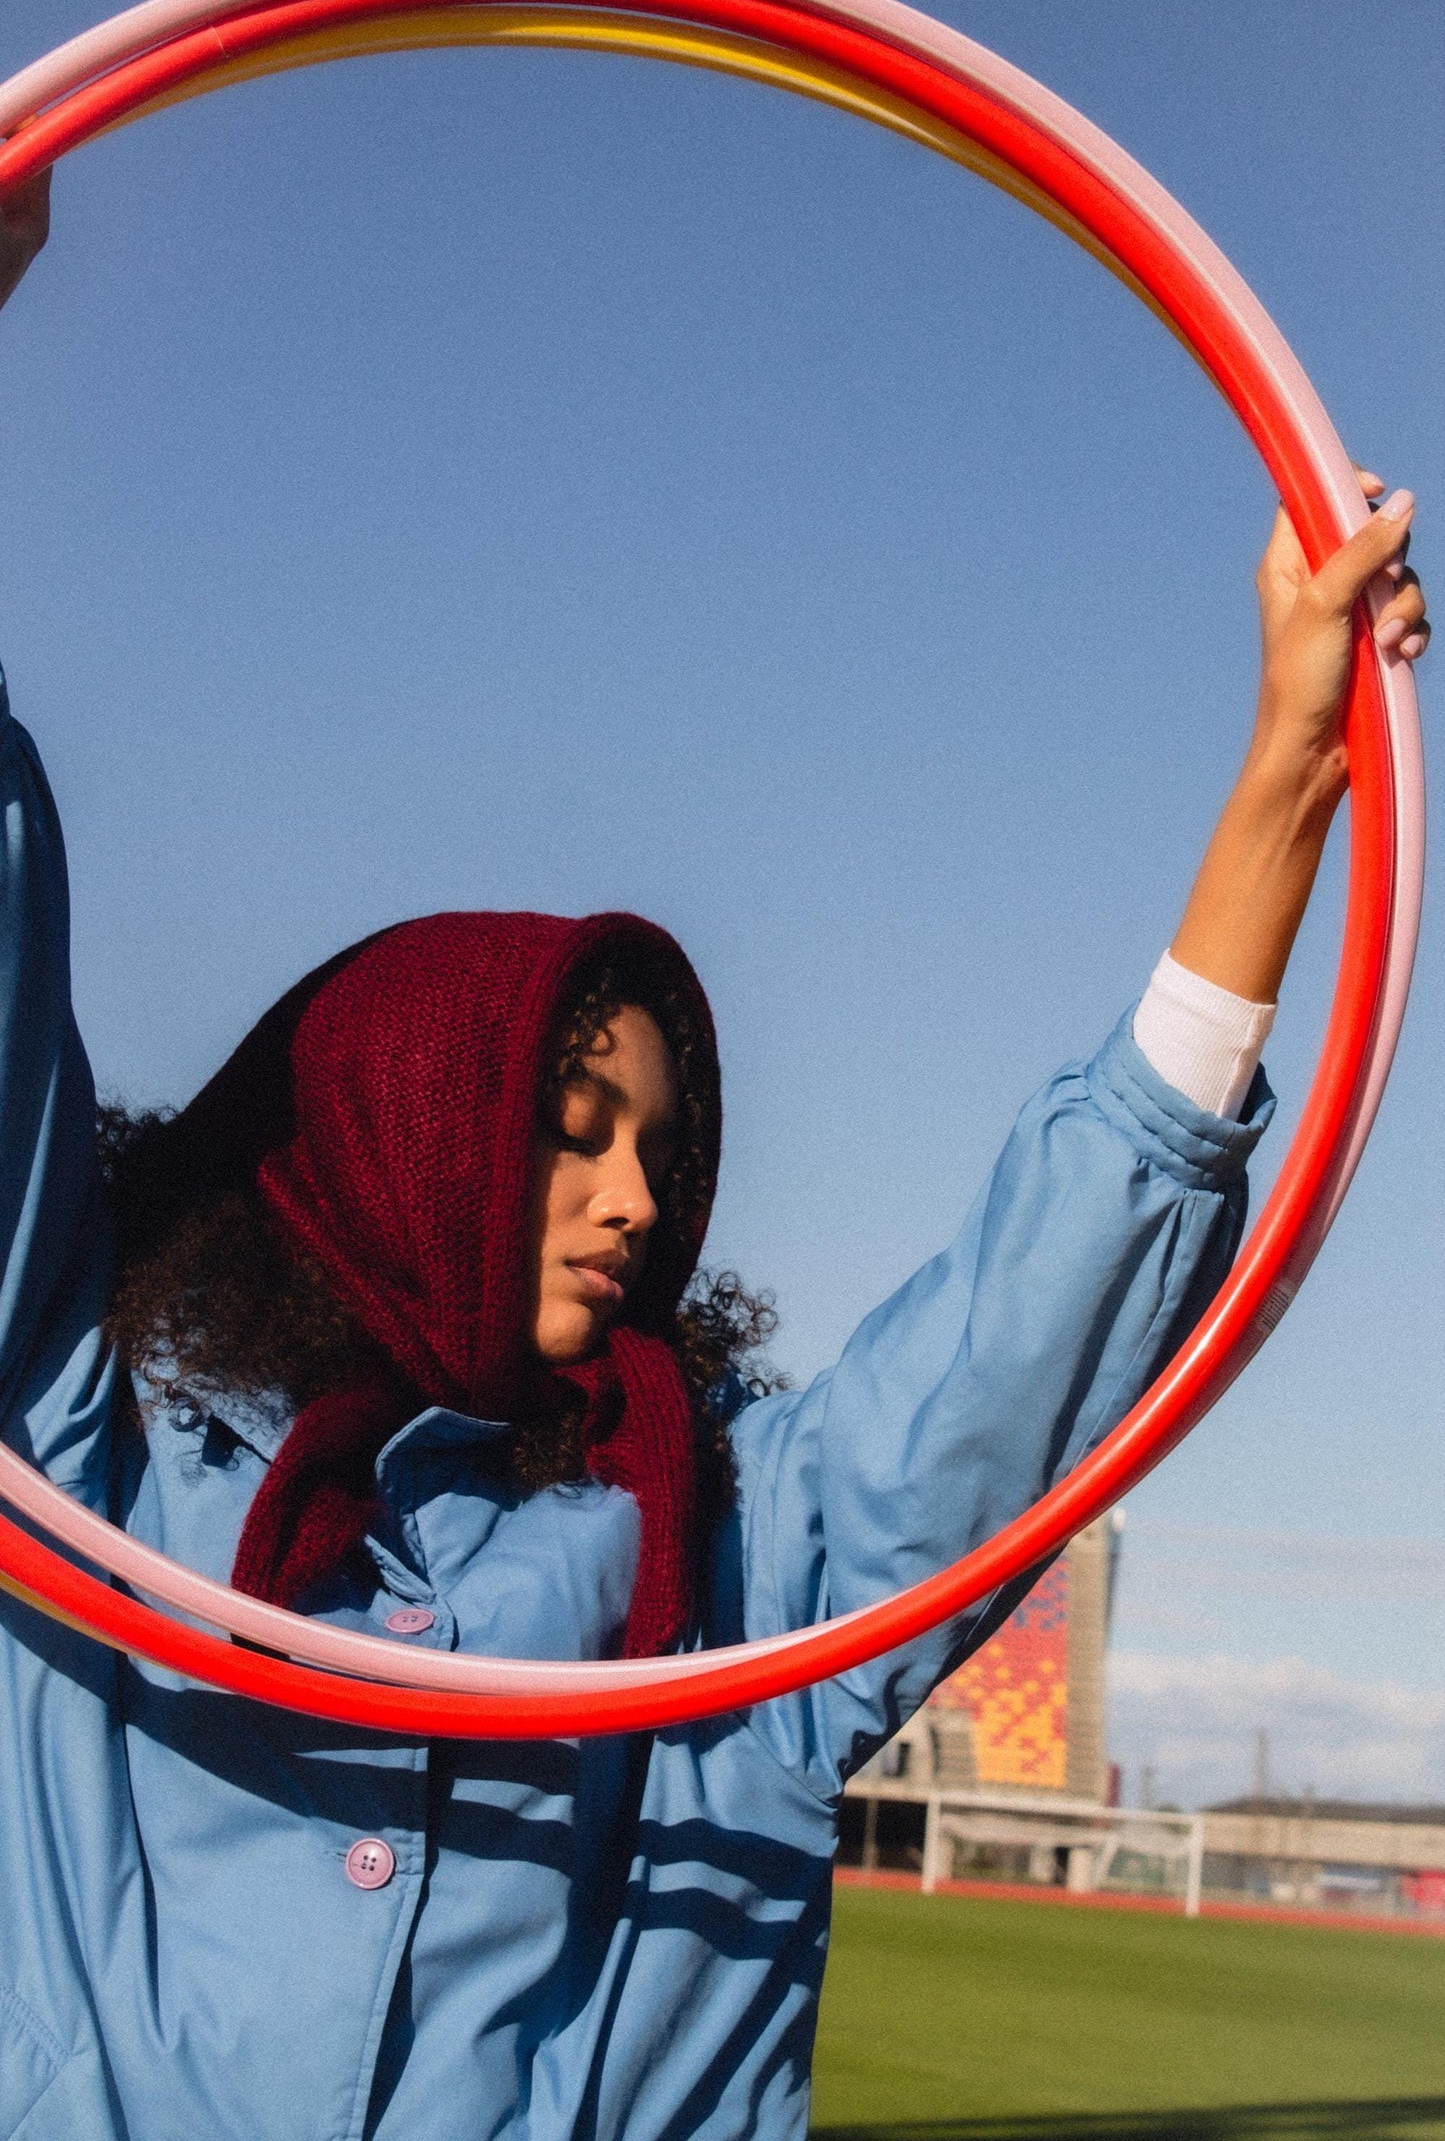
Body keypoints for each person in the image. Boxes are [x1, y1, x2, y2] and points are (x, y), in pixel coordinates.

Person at [0, 171, 1429, 2141]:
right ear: (403, 1139)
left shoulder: (721, 1564)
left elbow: (1006, 1363)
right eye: (566, 1134)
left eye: (660, 1151)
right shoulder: (91, 1456)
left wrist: (1285, 781)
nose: (635, 1201)